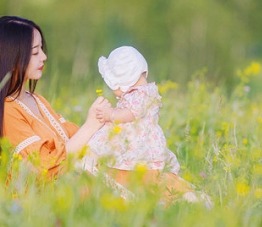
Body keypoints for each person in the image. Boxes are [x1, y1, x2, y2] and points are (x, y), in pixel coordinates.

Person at [0, 16, 108, 182]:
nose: (44, 56)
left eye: (41, 49)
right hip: (43, 199)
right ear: (10, 59)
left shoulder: (36, 99)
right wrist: (90, 126)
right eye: (35, 52)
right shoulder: (6, 112)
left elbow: (70, 140)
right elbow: (44, 169)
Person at [85, 46, 209, 205]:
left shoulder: (139, 95)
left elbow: (131, 113)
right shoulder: (147, 91)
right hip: (144, 141)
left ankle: (122, 179)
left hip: (136, 144)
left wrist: (111, 115)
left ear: (122, 81)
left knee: (131, 168)